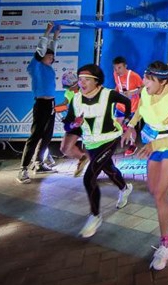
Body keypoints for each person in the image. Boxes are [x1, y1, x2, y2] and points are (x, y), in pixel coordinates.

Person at [125, 61, 168, 271]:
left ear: (163, 82)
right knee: (153, 190)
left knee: (160, 196)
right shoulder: (146, 91)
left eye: (150, 79)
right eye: (145, 77)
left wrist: (156, 145)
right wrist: (130, 126)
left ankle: (165, 244)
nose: (144, 82)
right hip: (152, 144)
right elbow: (140, 109)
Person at [62, 63, 134, 238]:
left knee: (89, 177)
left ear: (97, 81)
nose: (82, 83)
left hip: (109, 139)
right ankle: (124, 188)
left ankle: (95, 216)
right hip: (90, 143)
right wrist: (74, 125)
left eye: (87, 79)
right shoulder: (76, 99)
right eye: (80, 79)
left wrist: (126, 122)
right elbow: (67, 124)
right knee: (108, 168)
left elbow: (127, 102)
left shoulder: (108, 94)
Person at [17, 22, 61, 183]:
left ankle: (39, 163)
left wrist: (56, 35)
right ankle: (23, 169)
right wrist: (48, 31)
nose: (51, 57)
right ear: (41, 57)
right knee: (35, 135)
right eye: (48, 56)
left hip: (51, 104)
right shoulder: (35, 66)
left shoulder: (49, 67)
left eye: (52, 56)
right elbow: (41, 49)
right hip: (41, 104)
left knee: (47, 135)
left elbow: (51, 50)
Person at [58, 71, 89, 177]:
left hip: (88, 121)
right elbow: (65, 104)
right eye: (66, 87)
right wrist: (56, 108)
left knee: (94, 148)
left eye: (68, 87)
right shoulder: (69, 93)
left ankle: (99, 168)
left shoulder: (87, 90)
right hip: (74, 120)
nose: (67, 89)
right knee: (65, 148)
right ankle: (82, 158)